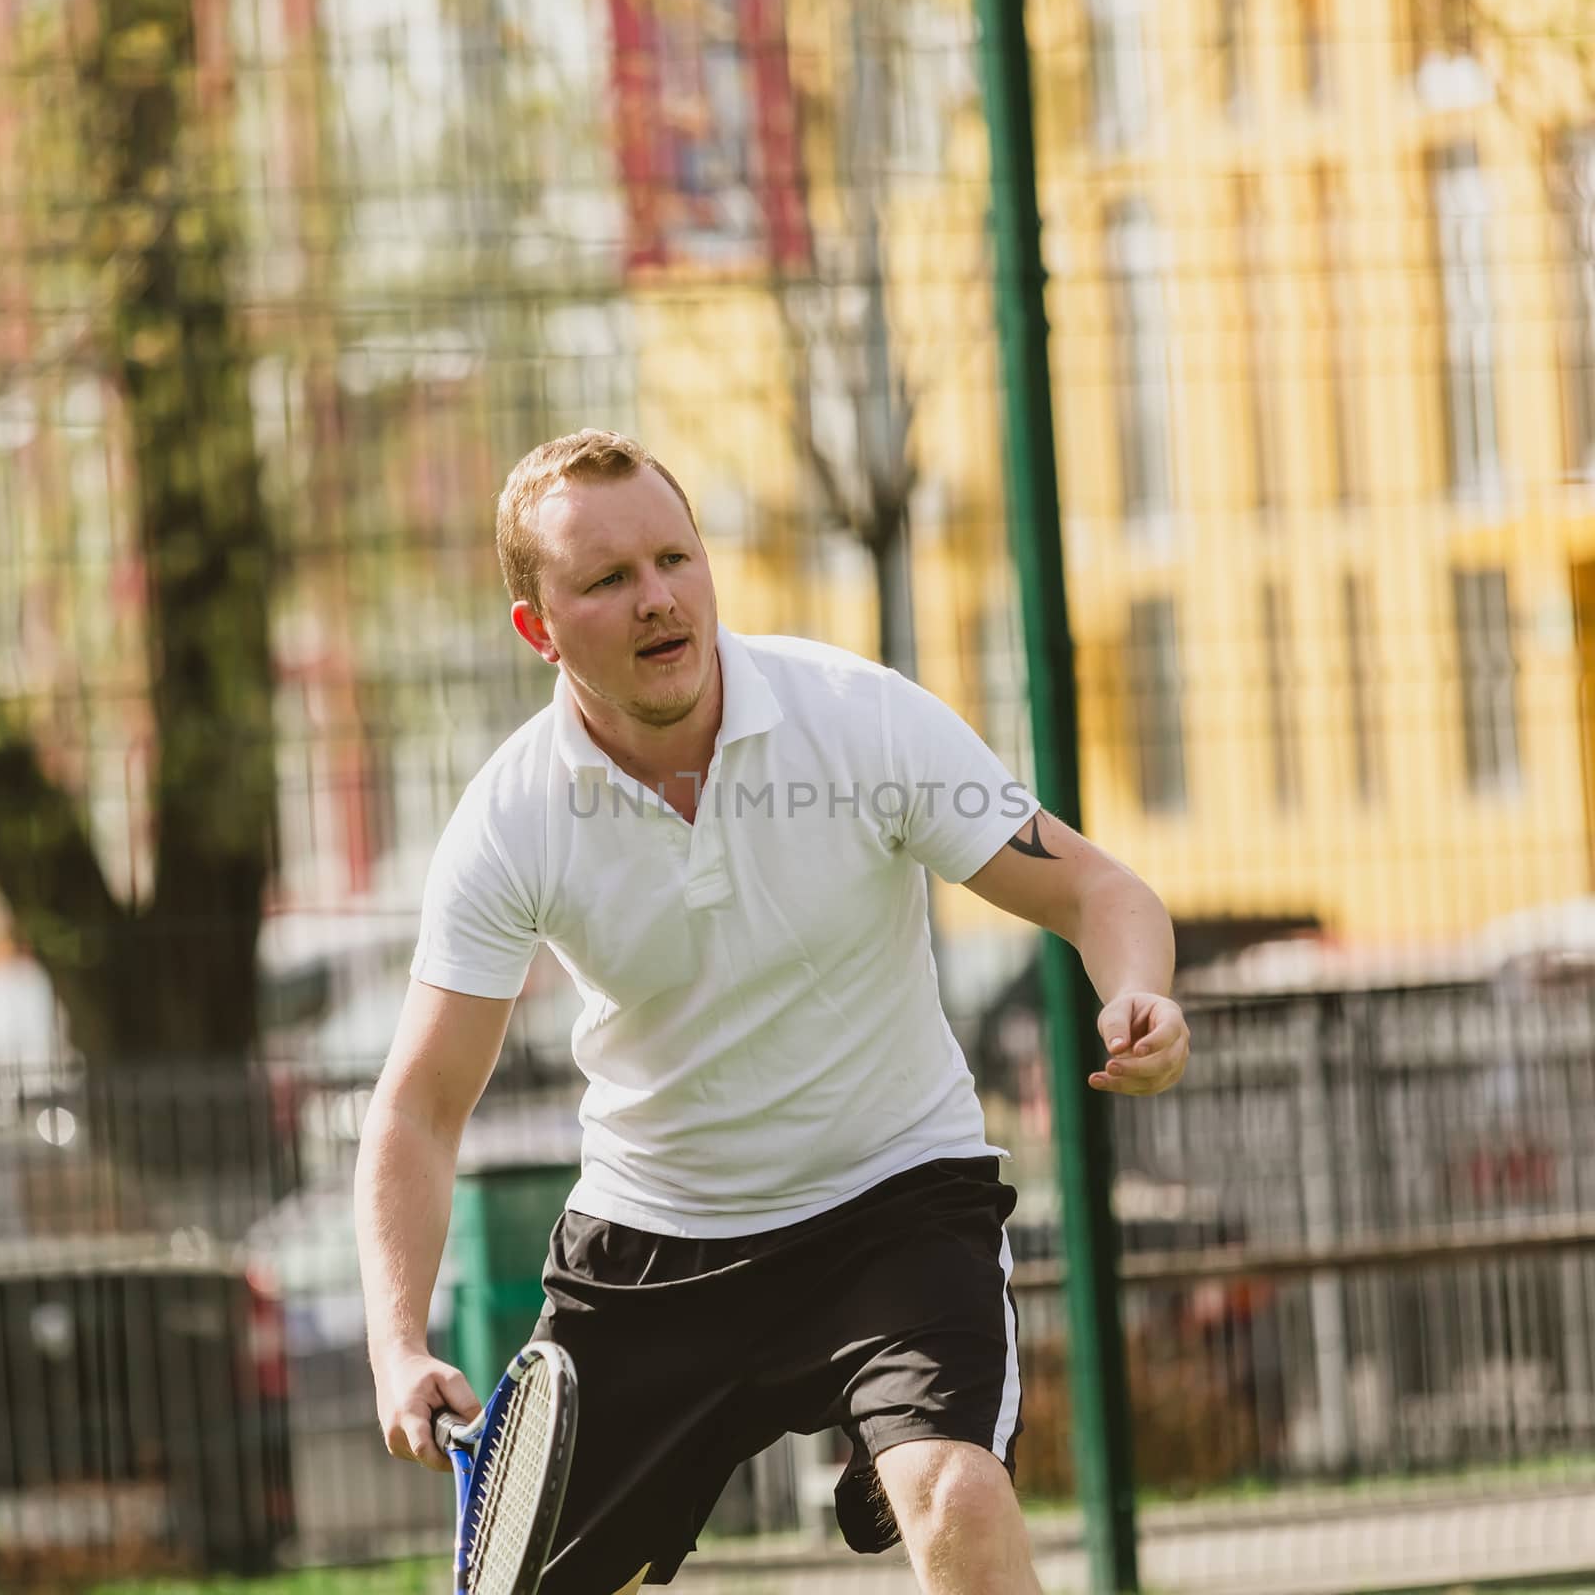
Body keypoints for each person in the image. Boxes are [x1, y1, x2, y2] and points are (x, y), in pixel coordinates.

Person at [354, 429, 1190, 1595]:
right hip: (652, 1243)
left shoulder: (853, 718)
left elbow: (1098, 891)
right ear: (537, 629)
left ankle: (886, 1423)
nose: (658, 600)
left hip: (894, 1204)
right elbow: (419, 1111)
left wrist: (1137, 990)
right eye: (606, 581)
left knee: (952, 1493)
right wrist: (397, 1347)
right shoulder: (509, 819)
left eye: (674, 559)